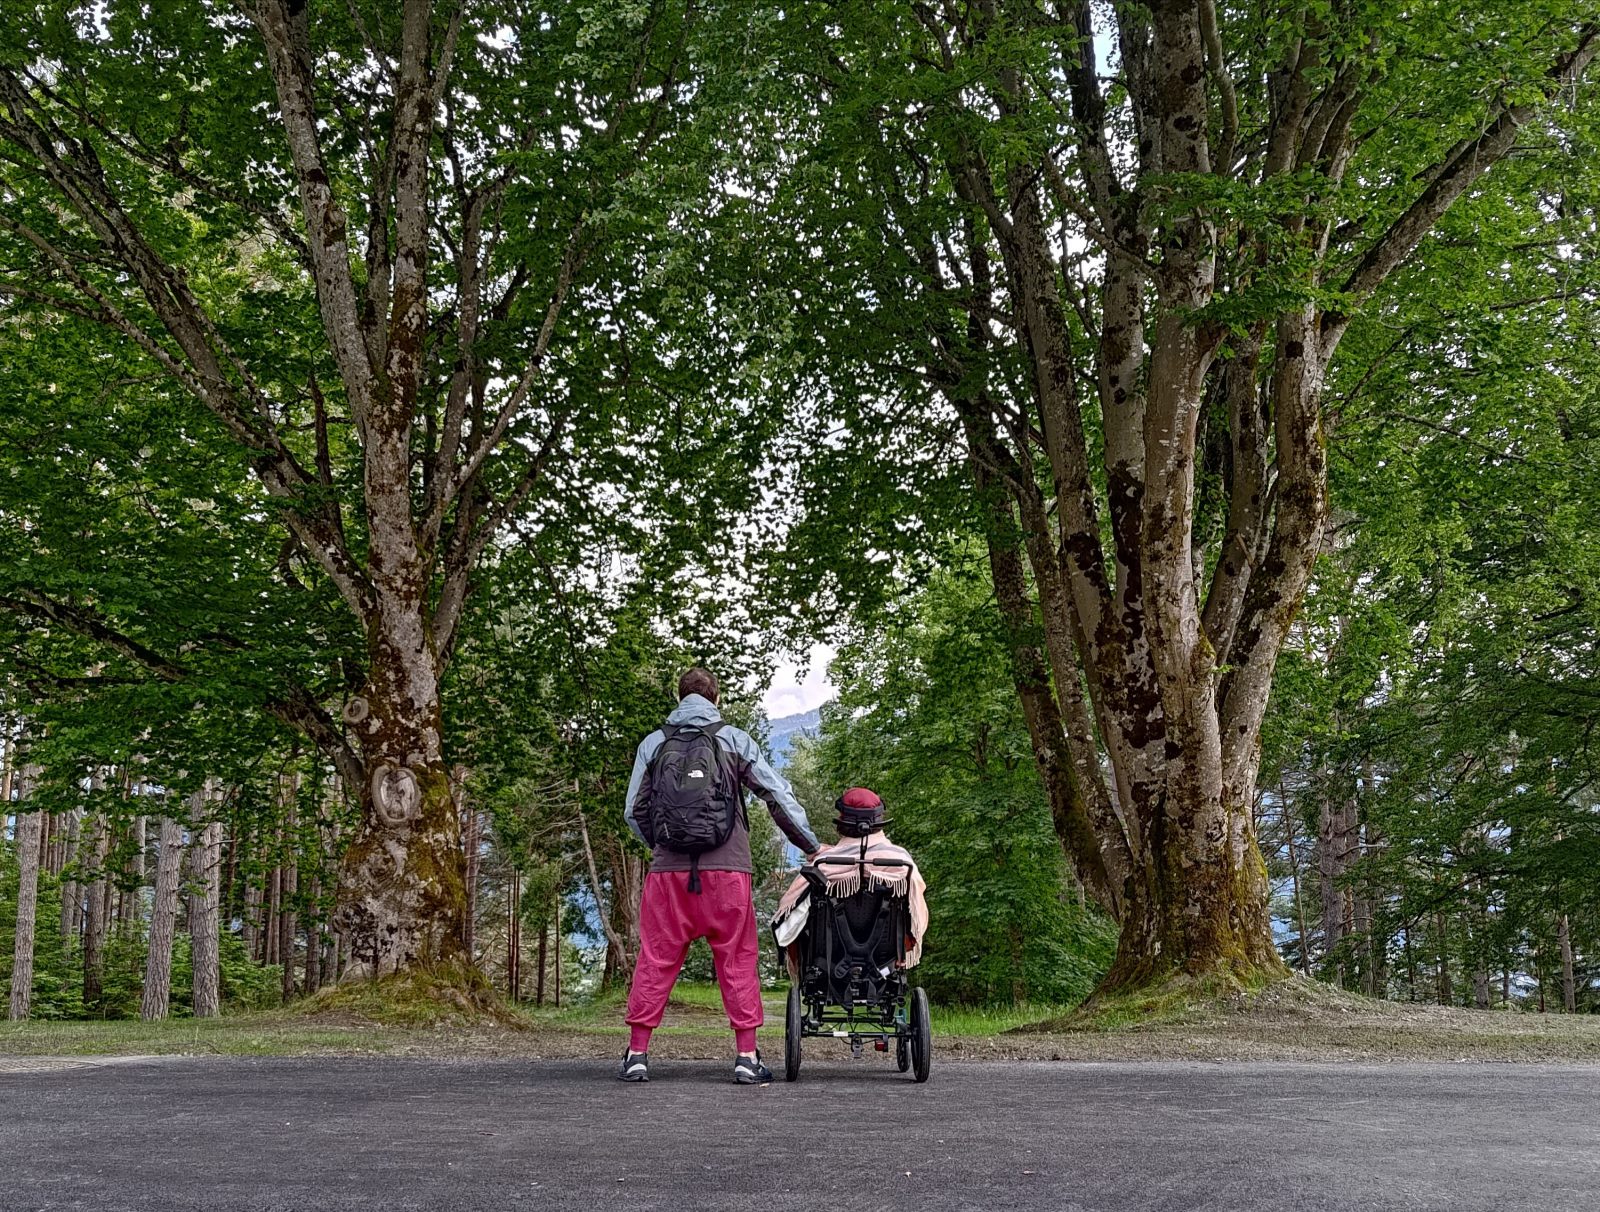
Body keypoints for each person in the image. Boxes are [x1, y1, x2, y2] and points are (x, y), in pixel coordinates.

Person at [619, 666, 822, 1084]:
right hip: (728, 873)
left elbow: (633, 812)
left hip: (668, 877)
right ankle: (746, 1057)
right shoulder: (734, 740)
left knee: (656, 957)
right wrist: (810, 845)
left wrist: (662, 846)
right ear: (716, 698)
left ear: (679, 698)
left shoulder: (654, 743)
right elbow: (775, 794)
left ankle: (636, 1055)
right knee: (737, 958)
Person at [772, 787, 927, 973]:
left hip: (829, 956)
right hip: (885, 957)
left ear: (842, 821)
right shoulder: (902, 863)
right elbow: (916, 914)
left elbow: (791, 918)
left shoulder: (823, 865)